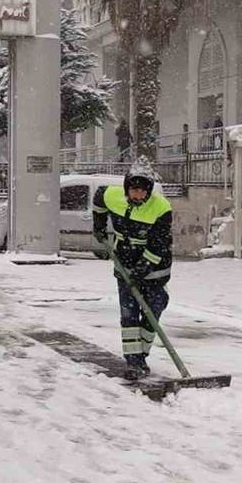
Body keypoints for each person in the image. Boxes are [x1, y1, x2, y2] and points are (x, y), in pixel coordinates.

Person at [92, 162, 174, 381]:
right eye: (134, 190)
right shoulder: (113, 196)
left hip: (155, 269)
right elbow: (99, 198)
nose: (138, 195)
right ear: (127, 188)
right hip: (125, 264)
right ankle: (134, 362)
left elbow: (158, 245)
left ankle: (142, 354)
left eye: (142, 191)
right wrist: (99, 225)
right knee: (129, 315)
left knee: (152, 311)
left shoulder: (161, 208)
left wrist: (142, 269)